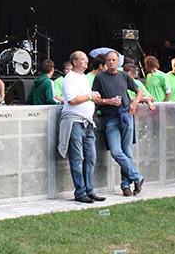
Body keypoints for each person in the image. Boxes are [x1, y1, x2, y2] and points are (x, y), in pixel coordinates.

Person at [92, 50, 147, 196]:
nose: (111, 62)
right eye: (109, 60)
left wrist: (135, 102)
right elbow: (95, 98)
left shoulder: (123, 76)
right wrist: (107, 101)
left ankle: (126, 185)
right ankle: (137, 177)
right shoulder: (100, 78)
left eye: (114, 60)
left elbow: (139, 90)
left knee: (127, 152)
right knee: (116, 151)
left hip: (126, 115)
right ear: (105, 62)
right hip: (110, 118)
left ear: (118, 62)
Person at [58, 51, 104, 203]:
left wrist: (92, 96)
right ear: (75, 62)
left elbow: (83, 97)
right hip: (75, 122)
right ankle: (80, 191)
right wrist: (91, 96)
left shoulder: (84, 77)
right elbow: (71, 100)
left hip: (87, 122)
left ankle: (89, 190)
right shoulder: (69, 78)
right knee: (77, 158)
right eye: (83, 60)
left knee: (90, 157)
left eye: (86, 59)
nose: (86, 62)